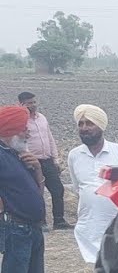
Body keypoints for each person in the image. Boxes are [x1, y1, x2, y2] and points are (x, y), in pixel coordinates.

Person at [0, 105, 68, 273]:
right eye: (23, 128)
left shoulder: (18, 156)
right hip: (15, 228)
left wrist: (37, 168)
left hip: (33, 227)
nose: (27, 133)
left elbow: (38, 192)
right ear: (9, 129)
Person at [67, 105, 118, 265]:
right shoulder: (74, 155)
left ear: (101, 126)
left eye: (90, 123)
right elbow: (78, 188)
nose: (84, 128)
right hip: (89, 225)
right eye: (81, 124)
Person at [18, 92, 69, 230]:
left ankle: (59, 221)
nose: (33, 105)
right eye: (29, 103)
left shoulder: (42, 118)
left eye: (34, 102)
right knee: (36, 192)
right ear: (22, 104)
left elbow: (49, 138)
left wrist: (55, 158)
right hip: (31, 162)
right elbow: (20, 142)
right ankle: (41, 221)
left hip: (47, 160)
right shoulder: (21, 122)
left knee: (58, 189)